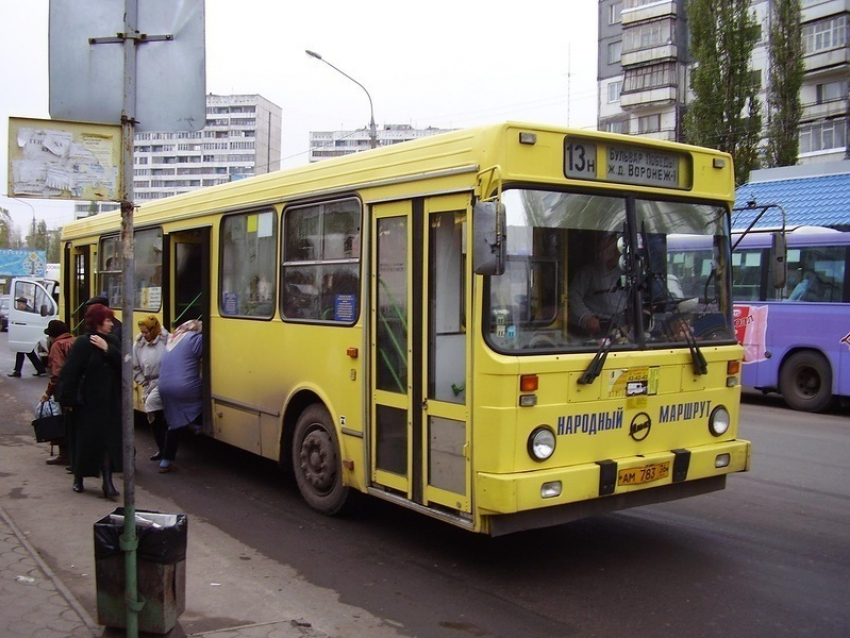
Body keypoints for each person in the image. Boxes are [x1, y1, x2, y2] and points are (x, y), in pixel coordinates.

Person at [58, 303, 122, 498]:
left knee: (107, 443)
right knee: (84, 442)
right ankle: (78, 477)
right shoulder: (83, 343)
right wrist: (67, 400)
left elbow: (124, 365)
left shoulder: (112, 341)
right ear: (98, 322)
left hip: (109, 402)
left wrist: (107, 349)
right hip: (86, 404)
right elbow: (70, 373)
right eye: (108, 320)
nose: (112, 324)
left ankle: (108, 482)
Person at [156, 320, 203, 473]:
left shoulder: (173, 339)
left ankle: (165, 461)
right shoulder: (194, 339)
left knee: (174, 424)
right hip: (184, 387)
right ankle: (197, 424)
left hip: (163, 386)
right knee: (206, 394)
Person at [568, 232, 627, 337]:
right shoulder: (588, 273)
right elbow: (573, 296)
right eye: (616, 250)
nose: (620, 253)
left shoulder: (624, 274)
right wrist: (587, 317)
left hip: (623, 327)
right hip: (598, 330)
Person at [132, 315, 169, 461]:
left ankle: (165, 450)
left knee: (154, 408)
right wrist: (144, 382)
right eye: (142, 332)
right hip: (150, 384)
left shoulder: (166, 340)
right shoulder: (139, 344)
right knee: (155, 415)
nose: (144, 335)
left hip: (165, 381)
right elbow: (134, 367)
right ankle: (163, 448)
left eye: (147, 332)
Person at [40, 320, 75, 466]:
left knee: (60, 421)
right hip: (77, 388)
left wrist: (48, 393)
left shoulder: (57, 346)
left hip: (63, 389)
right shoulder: (75, 341)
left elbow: (56, 374)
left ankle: (64, 454)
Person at [7, 297, 49, 378]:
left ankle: (19, 371)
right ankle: (39, 370)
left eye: (19, 304)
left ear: (24, 304)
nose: (18, 306)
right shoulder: (25, 311)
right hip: (25, 337)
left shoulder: (28, 312)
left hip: (27, 337)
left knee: (26, 352)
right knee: (26, 352)